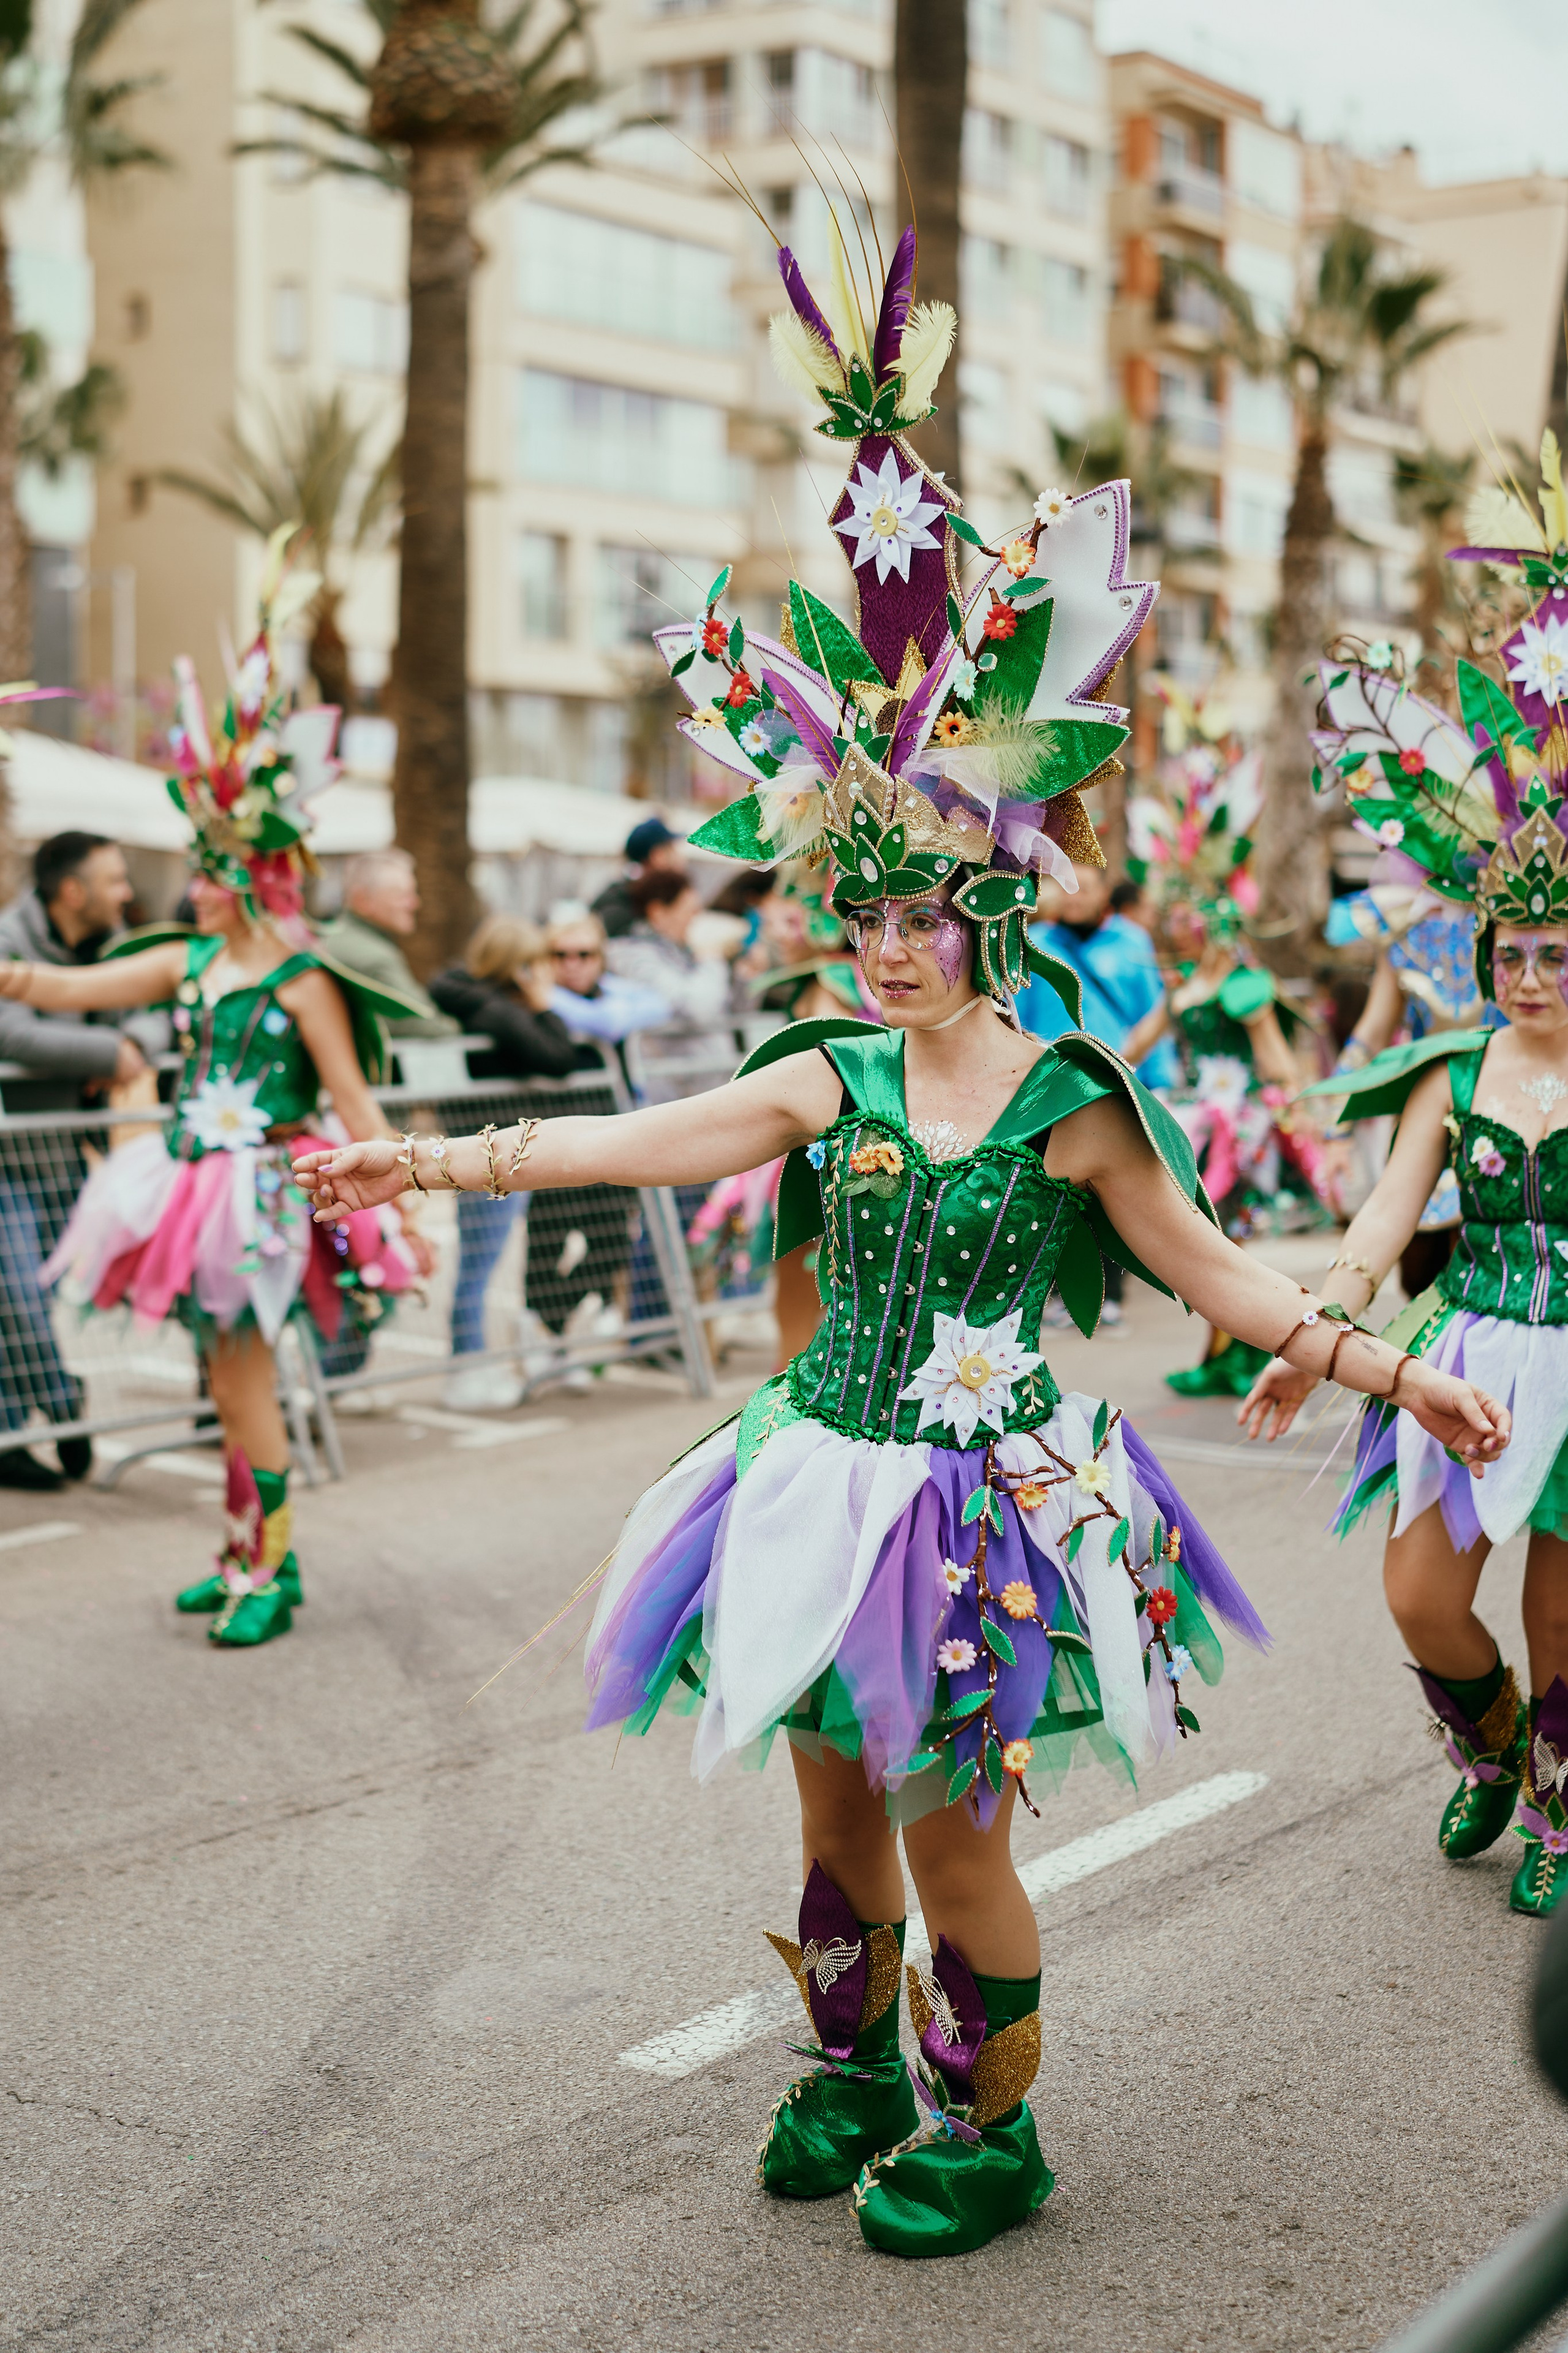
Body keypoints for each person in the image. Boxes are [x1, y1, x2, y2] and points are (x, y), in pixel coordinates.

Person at [293, 236, 1508, 2257]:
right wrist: (421, 1162)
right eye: (861, 907)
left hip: (981, 1506)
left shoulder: (1068, 1095)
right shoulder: (822, 1071)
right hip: (811, 1475)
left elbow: (1215, 1273)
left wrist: (1396, 1370)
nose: (881, 938)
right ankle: (854, 2064)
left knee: (956, 1840)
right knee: (828, 1812)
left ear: (988, 911)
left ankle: (990, 2129)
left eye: (920, 907)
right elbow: (625, 1139)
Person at [0, 544, 432, 1646]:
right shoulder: (184, 962)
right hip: (188, 1188)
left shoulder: (302, 981)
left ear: (246, 873)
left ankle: (274, 1571)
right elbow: (58, 982)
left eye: (204, 864)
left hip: (261, 1198)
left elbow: (352, 1097)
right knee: (221, 1376)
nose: (188, 881)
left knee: (245, 1381)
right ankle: (242, 1547)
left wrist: (411, 1193)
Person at [1242, 537, 1568, 1919]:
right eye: (1510, 953)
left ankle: (1559, 1812)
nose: (1530, 975)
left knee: (1560, 1624)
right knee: (1419, 1600)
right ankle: (1489, 1748)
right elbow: (1383, 1213)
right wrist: (1317, 1328)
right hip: (1469, 1352)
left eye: (1555, 953)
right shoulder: (1447, 1069)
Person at [0, 831, 164, 1489]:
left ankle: (12, 1431)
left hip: (65, 1151)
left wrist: (129, 1041)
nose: (126, 894)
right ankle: (64, 1401)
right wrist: (107, 1054)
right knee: (15, 1297)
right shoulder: (9, 939)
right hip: (8, 1149)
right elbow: (8, 1028)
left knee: (29, 1297)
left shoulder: (116, 947)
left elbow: (158, 1014)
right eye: (115, 880)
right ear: (74, 891)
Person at [427, 915, 579, 1408]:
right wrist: (542, 1005)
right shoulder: (499, 1011)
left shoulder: (472, 997)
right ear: (519, 968)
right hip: (493, 1155)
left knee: (481, 1261)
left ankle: (471, 1363)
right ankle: (465, 1367)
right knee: (480, 1263)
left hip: (493, 1151)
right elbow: (559, 1055)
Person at [318, 848, 458, 1037]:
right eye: (403, 895)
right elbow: (423, 1024)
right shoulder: (373, 957)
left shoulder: (332, 939)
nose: (415, 904)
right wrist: (458, 1027)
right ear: (363, 901)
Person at [590, 815, 687, 941]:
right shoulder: (622, 905)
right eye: (673, 849)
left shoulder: (636, 896)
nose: (681, 858)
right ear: (658, 856)